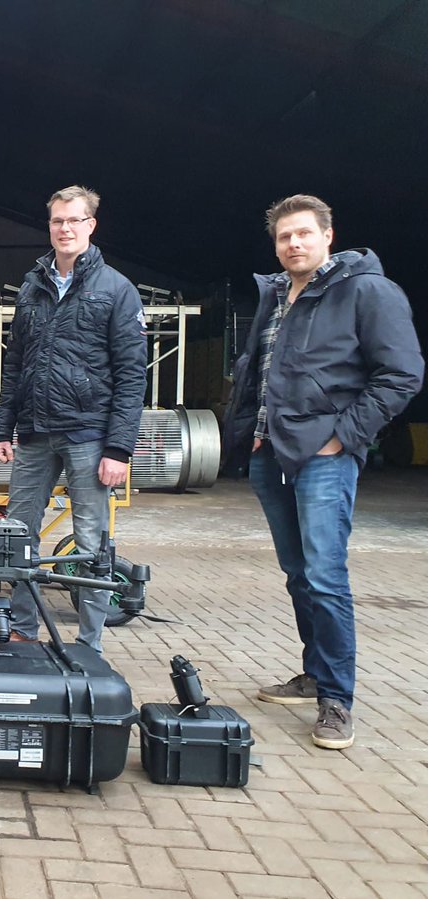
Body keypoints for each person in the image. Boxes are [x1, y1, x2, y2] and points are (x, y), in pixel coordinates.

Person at [223, 194, 423, 750]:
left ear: (328, 235)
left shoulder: (365, 291)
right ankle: (314, 673)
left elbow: (402, 374)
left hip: (324, 456)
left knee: (326, 575)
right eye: (284, 237)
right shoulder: (276, 294)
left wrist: (345, 436)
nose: (293, 244)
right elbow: (259, 370)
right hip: (269, 451)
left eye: (304, 234)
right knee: (297, 571)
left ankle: (337, 700)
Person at [0, 185, 147, 654]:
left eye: (75, 220)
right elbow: (16, 363)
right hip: (35, 433)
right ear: (50, 225)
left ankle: (89, 642)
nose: (65, 229)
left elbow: (131, 375)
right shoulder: (32, 287)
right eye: (58, 221)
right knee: (18, 533)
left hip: (89, 435)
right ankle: (22, 629)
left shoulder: (116, 289)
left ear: (90, 226)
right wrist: (2, 426)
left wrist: (119, 448)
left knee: (90, 539)